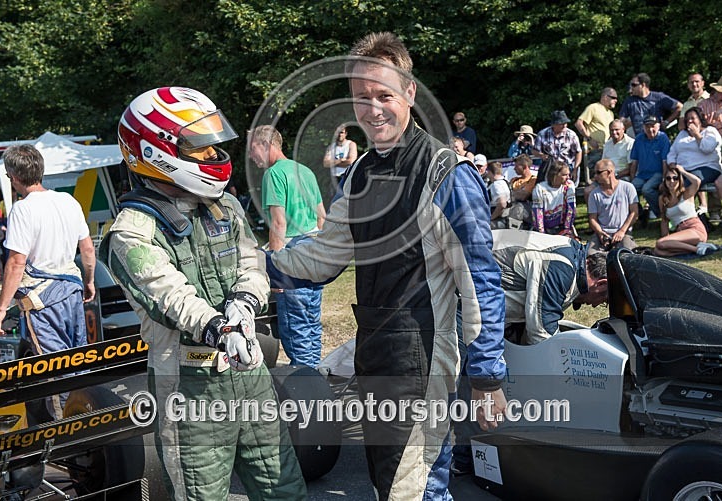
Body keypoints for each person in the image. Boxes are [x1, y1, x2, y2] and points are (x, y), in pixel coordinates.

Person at [266, 32, 506, 499]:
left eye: (384, 96)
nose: (373, 109)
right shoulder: (359, 173)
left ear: (410, 93)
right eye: (361, 98)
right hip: (374, 352)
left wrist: (487, 377)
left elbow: (480, 283)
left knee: (410, 489)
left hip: (423, 359)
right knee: (393, 482)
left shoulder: (446, 175)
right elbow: (323, 254)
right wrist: (259, 269)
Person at [101, 87, 306, 500]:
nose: (214, 157)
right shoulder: (131, 229)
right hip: (188, 386)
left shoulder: (224, 206)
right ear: (155, 150)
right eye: (201, 148)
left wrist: (245, 304)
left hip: (250, 375)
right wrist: (218, 325)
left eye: (215, 146)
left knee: (284, 489)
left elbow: (252, 262)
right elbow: (166, 292)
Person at [0, 144, 96, 416]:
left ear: (14, 176)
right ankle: (90, 418)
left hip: (43, 299)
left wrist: (0, 311)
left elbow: (16, 262)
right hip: (72, 289)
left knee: (55, 367)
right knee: (78, 359)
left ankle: (67, 433)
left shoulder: (23, 209)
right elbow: (88, 249)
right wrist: (90, 280)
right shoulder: (69, 201)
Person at [250, 125, 326, 368]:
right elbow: (321, 217)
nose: (252, 157)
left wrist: (275, 265)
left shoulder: (273, 174)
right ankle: (314, 377)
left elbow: (279, 223)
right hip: (313, 252)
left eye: (253, 150)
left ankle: (305, 389)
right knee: (311, 323)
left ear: (265, 145)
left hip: (292, 258)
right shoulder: (305, 171)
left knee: (296, 328)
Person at [492, 230, 608, 345]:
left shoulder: (573, 256)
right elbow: (541, 334)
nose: (595, 305)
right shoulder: (561, 268)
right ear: (601, 283)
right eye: (604, 300)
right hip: (477, 270)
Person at [667, 106, 722, 216]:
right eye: (687, 119)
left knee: (685, 183)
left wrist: (697, 135)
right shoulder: (682, 134)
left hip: (707, 167)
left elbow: (707, 149)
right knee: (667, 184)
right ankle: (671, 213)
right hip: (683, 169)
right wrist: (672, 163)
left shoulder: (710, 131)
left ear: (700, 119)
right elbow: (672, 152)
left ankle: (686, 214)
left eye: (693, 118)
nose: (690, 121)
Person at [654, 165, 716, 257]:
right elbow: (664, 221)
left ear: (679, 180)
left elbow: (697, 182)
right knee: (658, 251)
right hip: (680, 231)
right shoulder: (663, 199)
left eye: (675, 178)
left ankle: (697, 249)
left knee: (660, 243)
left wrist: (682, 171)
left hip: (695, 229)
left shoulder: (686, 193)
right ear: (664, 181)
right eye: (668, 178)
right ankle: (695, 249)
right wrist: (666, 239)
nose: (672, 181)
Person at [587, 159, 639, 253]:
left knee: (628, 254)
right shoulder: (594, 194)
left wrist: (622, 231)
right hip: (603, 233)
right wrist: (600, 232)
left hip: (623, 232)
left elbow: (634, 213)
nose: (595, 176)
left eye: (598, 172)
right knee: (590, 255)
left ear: (609, 172)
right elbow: (592, 219)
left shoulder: (628, 188)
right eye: (594, 173)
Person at [629, 116, 670, 221]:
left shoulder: (663, 138)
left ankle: (660, 212)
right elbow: (634, 161)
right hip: (642, 175)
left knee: (646, 189)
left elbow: (665, 162)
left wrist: (664, 180)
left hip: (658, 173)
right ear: (643, 127)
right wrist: (632, 178)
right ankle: (639, 213)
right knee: (630, 189)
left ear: (658, 126)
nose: (650, 129)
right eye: (647, 126)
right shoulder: (639, 139)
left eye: (653, 126)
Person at [620, 73, 682, 137]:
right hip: (640, 140)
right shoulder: (629, 101)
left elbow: (680, 107)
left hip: (658, 139)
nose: (631, 88)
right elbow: (621, 121)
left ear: (643, 85)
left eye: (634, 85)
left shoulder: (659, 98)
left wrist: (666, 122)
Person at [533, 110, 583, 185]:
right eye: (561, 123)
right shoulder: (542, 134)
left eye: (565, 123)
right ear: (554, 124)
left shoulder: (572, 135)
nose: (564, 125)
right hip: (550, 168)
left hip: (567, 166)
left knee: (568, 189)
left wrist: (575, 169)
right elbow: (534, 151)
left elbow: (578, 152)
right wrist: (541, 155)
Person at [575, 88, 618, 171]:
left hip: (606, 151)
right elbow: (578, 123)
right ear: (605, 97)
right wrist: (589, 139)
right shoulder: (593, 107)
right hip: (594, 151)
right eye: (613, 98)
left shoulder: (611, 113)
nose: (616, 100)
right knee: (595, 178)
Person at [531, 160, 576, 236]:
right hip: (545, 227)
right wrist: (542, 234)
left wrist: (566, 229)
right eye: (564, 175)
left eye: (569, 174)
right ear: (555, 175)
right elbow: (538, 213)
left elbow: (571, 209)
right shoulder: (540, 188)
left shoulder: (569, 185)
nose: (568, 177)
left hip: (562, 226)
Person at [509, 154, 536, 228]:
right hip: (511, 209)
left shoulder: (533, 180)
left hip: (526, 212)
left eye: (516, 166)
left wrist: (512, 193)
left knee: (519, 207)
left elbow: (523, 196)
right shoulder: (514, 180)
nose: (514, 168)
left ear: (524, 167)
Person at [484, 161, 510, 228]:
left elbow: (502, 203)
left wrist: (491, 218)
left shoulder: (497, 184)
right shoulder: (505, 182)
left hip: (498, 220)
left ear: (490, 172)